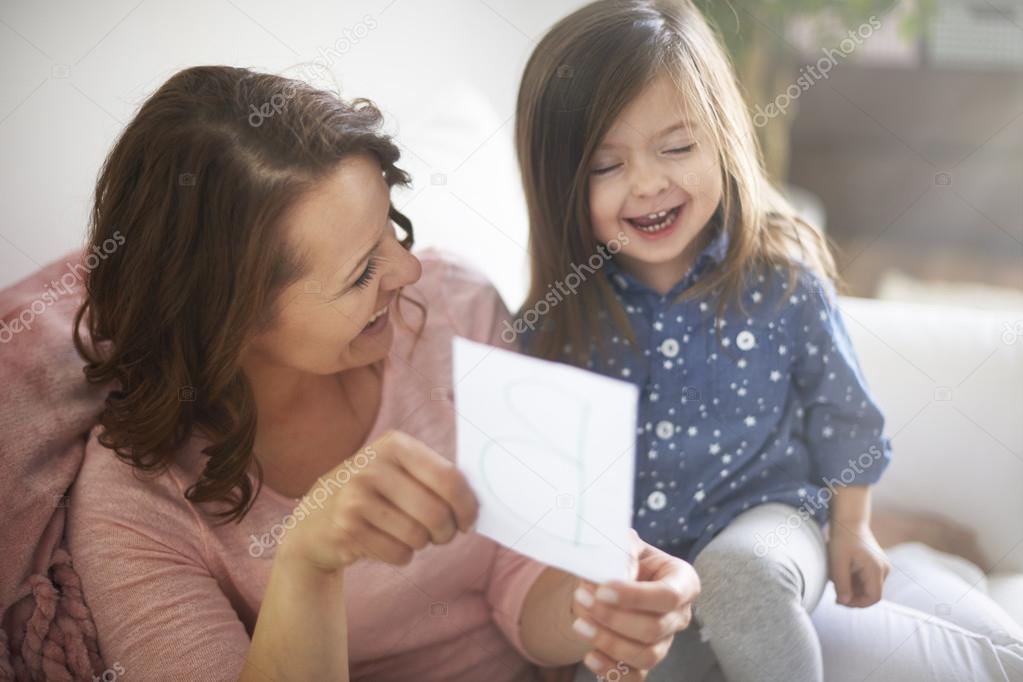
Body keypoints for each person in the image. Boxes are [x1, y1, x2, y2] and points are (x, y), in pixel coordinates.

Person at [66, 65, 699, 681]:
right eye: (362, 273)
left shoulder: (455, 309)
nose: (408, 273)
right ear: (228, 319)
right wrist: (309, 563)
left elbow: (522, 576)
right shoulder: (135, 503)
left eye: (393, 229)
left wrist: (608, 601)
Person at [513, 2, 1023, 680]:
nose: (648, 182)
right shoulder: (555, 325)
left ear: (721, 138)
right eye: (606, 165)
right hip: (645, 567)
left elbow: (845, 416)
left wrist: (850, 528)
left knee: (739, 573)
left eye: (676, 147)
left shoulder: (779, 279)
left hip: (771, 525)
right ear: (562, 185)